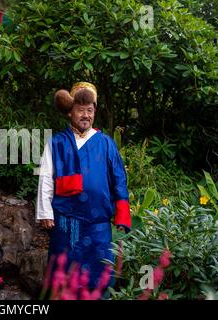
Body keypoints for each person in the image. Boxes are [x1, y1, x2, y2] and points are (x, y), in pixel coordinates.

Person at [36, 82, 131, 290]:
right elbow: (46, 178)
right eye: (81, 110)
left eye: (90, 110)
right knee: (63, 278)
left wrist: (122, 214)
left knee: (98, 281)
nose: (86, 115)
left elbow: (119, 179)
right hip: (66, 223)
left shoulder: (106, 144)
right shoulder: (56, 143)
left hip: (98, 227)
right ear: (70, 112)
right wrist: (45, 212)